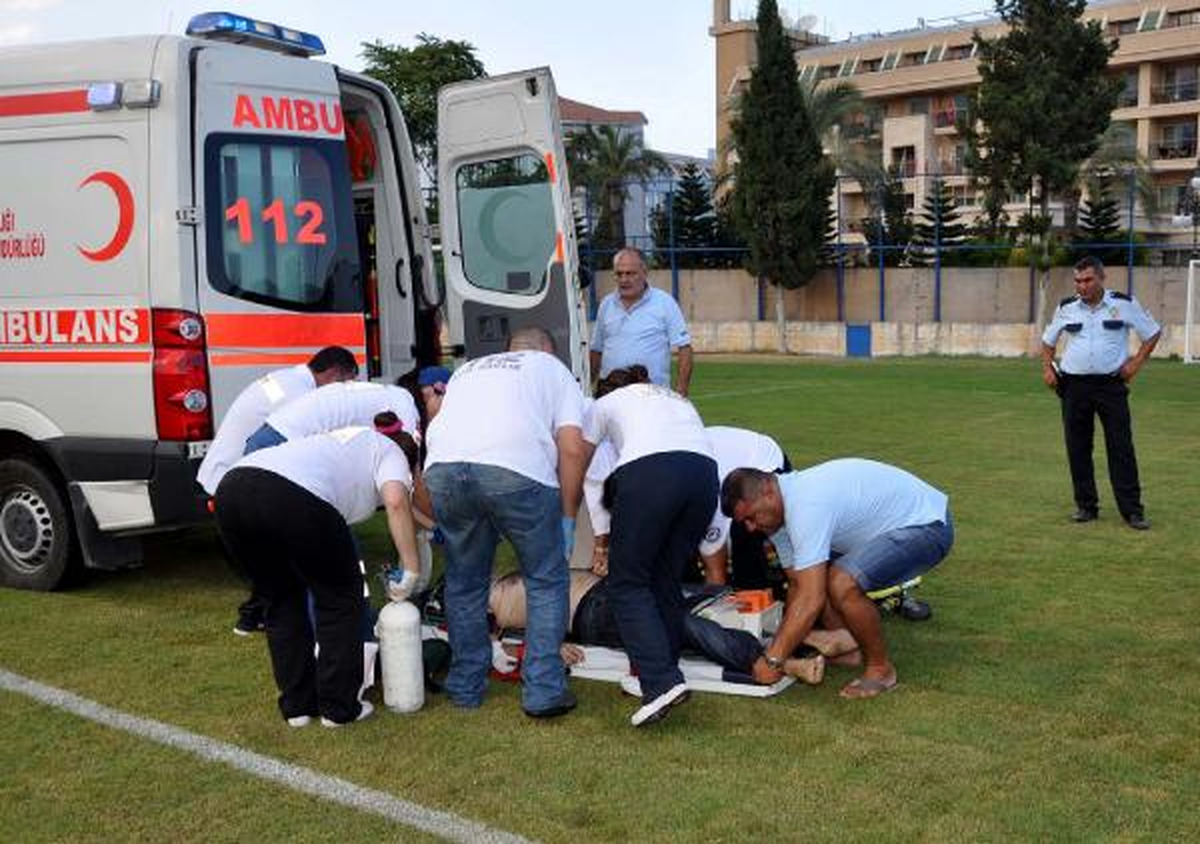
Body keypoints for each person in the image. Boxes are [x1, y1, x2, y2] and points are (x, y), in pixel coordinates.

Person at [214, 415, 423, 727]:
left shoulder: (343, 443)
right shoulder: (390, 450)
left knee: (281, 599)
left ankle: (297, 706)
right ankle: (339, 707)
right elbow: (396, 502)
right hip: (292, 494)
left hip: (232, 491)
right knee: (341, 598)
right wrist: (412, 568)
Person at [423, 327, 590, 718]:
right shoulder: (553, 370)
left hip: (444, 468)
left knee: (465, 581)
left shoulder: (468, 369)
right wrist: (567, 516)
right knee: (545, 579)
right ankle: (544, 690)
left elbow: (439, 423)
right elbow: (572, 449)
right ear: (548, 351)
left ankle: (465, 686)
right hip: (514, 469)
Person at [721, 459, 953, 699]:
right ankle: (849, 649)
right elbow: (798, 583)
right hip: (904, 524)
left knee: (842, 582)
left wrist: (773, 659)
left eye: (751, 516)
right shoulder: (778, 520)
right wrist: (785, 644)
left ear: (768, 491)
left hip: (929, 525)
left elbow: (810, 598)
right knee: (818, 577)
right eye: (744, 522)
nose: (750, 528)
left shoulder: (805, 505)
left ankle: (881, 669)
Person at [584, 366, 718, 726]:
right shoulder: (671, 397)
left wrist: (590, 534)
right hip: (705, 477)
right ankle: (666, 670)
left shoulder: (603, 404)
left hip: (652, 473)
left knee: (626, 583)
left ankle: (660, 682)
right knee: (663, 578)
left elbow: (584, 467)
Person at [196, 346, 359, 635]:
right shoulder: (299, 395)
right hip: (237, 478)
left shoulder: (288, 380)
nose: (343, 393)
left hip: (227, 473)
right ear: (333, 374)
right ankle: (261, 615)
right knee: (285, 548)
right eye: (345, 384)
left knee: (271, 551)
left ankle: (254, 616)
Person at [487, 569, 837, 686]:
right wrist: (548, 643)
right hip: (594, 612)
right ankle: (774, 661)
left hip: (613, 590)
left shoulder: (501, 586)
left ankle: (801, 638)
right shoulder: (498, 607)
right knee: (682, 626)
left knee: (704, 607)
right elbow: (492, 642)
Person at [1041, 255, 1160, 530]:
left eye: (1088, 280)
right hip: (1073, 386)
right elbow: (1048, 341)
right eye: (1078, 281)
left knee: (1121, 448)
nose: (1082, 286)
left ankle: (1132, 511)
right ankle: (1086, 507)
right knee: (1078, 448)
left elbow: (1152, 333)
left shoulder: (1123, 304)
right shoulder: (1066, 308)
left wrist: (1135, 364)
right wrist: (1047, 368)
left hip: (1110, 386)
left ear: (1101, 278)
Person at [589, 247, 693, 396]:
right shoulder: (606, 305)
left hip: (652, 396)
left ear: (645, 273)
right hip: (611, 396)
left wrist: (681, 391)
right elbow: (596, 350)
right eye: (619, 274)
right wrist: (585, 389)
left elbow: (685, 348)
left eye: (630, 273)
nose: (624, 279)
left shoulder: (665, 303)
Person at [247, 381, 420, 452]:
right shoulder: (404, 403)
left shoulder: (381, 392)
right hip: (284, 439)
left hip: (269, 432)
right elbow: (409, 453)